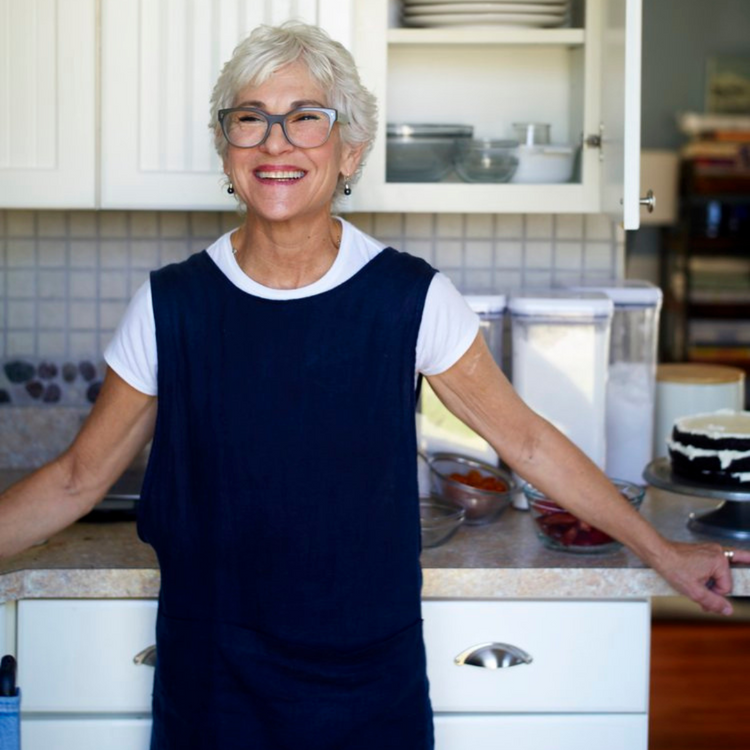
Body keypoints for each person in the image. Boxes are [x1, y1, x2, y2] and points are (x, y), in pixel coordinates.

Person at [0, 20, 748, 750]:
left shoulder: (409, 297)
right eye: (250, 120)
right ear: (225, 149)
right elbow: (75, 480)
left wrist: (662, 550)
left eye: (306, 119)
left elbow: (524, 440)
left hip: (364, 690)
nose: (276, 143)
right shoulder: (170, 305)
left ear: (350, 149)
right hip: (212, 688)